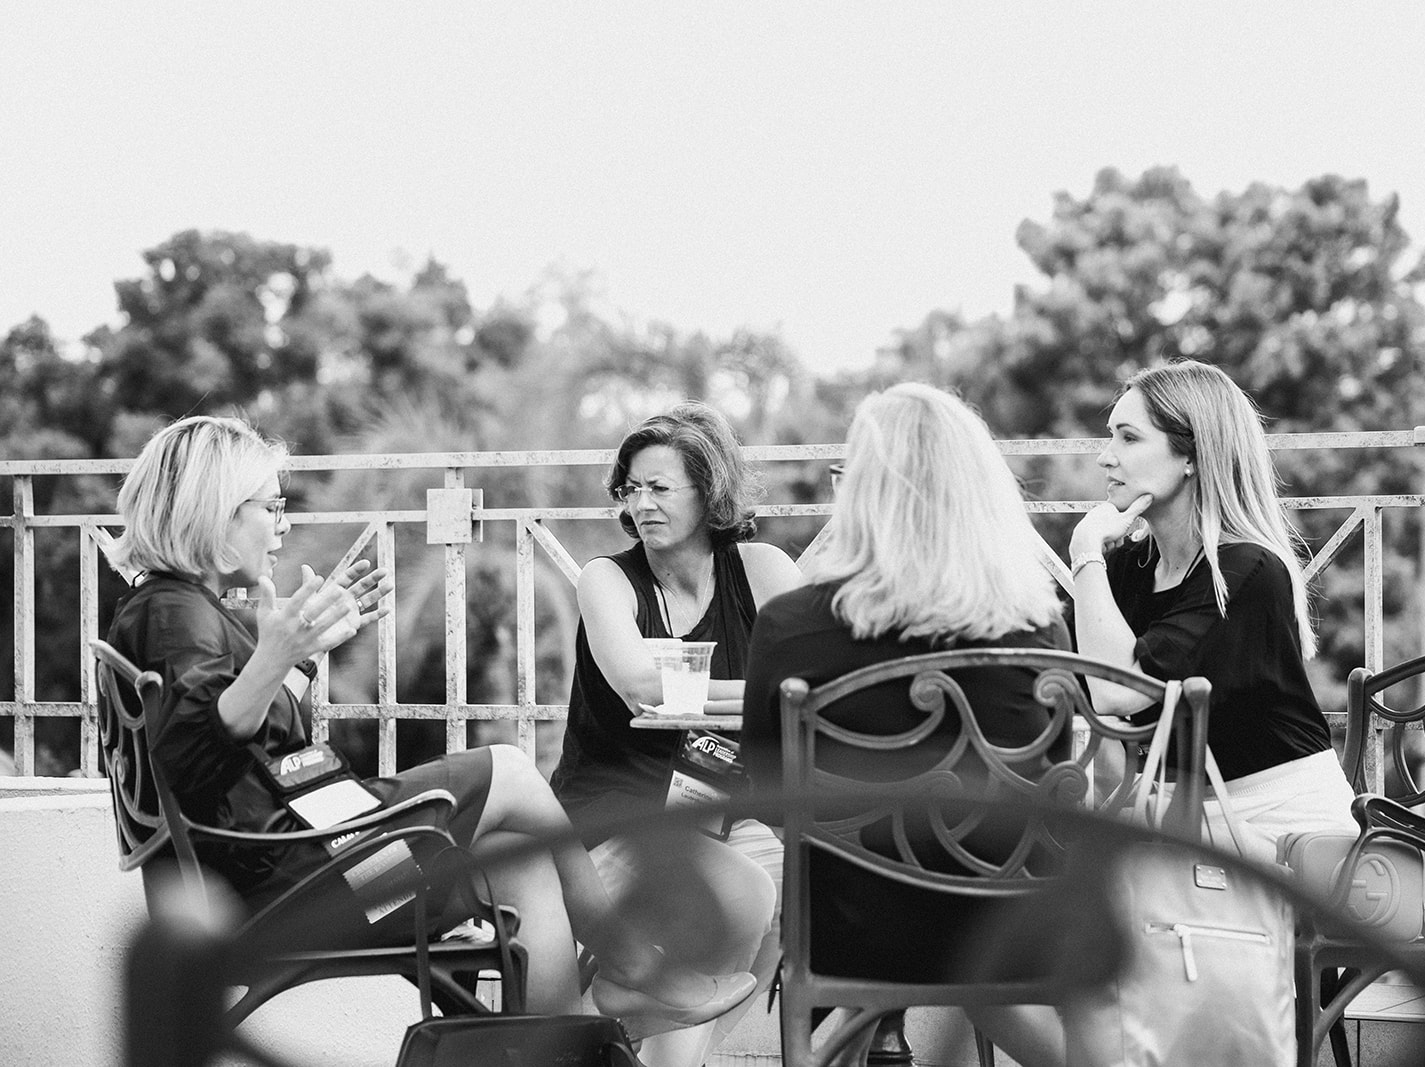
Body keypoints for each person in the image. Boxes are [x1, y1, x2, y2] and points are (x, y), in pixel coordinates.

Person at [103, 415, 754, 1028]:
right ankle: (630, 962)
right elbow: (193, 757)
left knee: (520, 865)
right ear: (217, 511)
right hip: (292, 889)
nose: (283, 524)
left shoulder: (170, 608)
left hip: (293, 868)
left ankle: (564, 1049)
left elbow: (244, 742)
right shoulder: (177, 615)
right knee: (510, 769)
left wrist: (300, 658)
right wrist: (274, 656)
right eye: (270, 507)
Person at [741, 383, 1077, 1067]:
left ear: (861, 490)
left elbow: (767, 792)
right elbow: (1054, 780)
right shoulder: (1039, 626)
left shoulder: (790, 624)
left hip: (853, 928)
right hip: (1007, 922)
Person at [548, 401, 805, 1067]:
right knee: (743, 892)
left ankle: (636, 1047)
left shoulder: (763, 571)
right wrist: (762, 694)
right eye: (631, 488)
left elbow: (812, 681)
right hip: (620, 814)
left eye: (660, 487)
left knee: (800, 891)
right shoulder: (609, 579)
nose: (642, 504)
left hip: (726, 811)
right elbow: (640, 685)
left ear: (709, 490)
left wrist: (724, 696)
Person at [1066, 359, 1357, 861]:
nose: (1104, 457)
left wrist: (1084, 552)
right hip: (1185, 820)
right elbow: (1070, 681)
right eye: (1110, 436)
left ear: (1192, 455)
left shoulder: (1247, 571)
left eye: (1128, 438)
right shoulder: (1132, 566)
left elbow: (1116, 691)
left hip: (1284, 830)